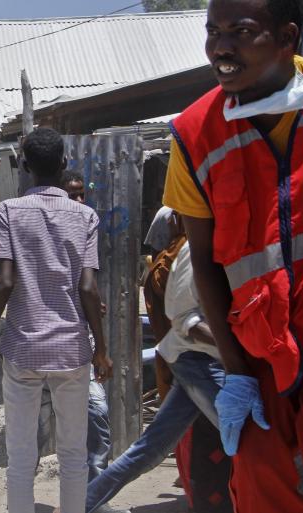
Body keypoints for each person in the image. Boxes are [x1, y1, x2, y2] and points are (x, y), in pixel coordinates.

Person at [163, 1, 303, 510]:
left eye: (240, 32)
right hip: (262, 352)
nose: (221, 47)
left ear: (287, 37)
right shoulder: (194, 132)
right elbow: (205, 261)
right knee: (259, 484)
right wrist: (237, 372)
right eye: (213, 31)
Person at [0, 128, 112, 513]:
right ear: (64, 164)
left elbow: (4, 282)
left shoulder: (7, 212)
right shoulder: (85, 216)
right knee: (73, 453)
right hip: (71, 348)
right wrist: (102, 349)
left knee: (20, 455)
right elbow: (87, 288)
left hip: (23, 348)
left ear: (25, 165)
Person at [85, 214, 231, 513]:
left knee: (150, 449)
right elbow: (185, 320)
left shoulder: (222, 244)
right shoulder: (194, 250)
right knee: (254, 440)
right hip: (198, 360)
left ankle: (78, 504)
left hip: (200, 359)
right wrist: (237, 344)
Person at [60, 170, 112, 482]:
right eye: (72, 195)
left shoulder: (88, 230)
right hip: (54, 349)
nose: (79, 201)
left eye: (82, 194)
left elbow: (88, 289)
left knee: (98, 416)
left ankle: (94, 493)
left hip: (83, 347)